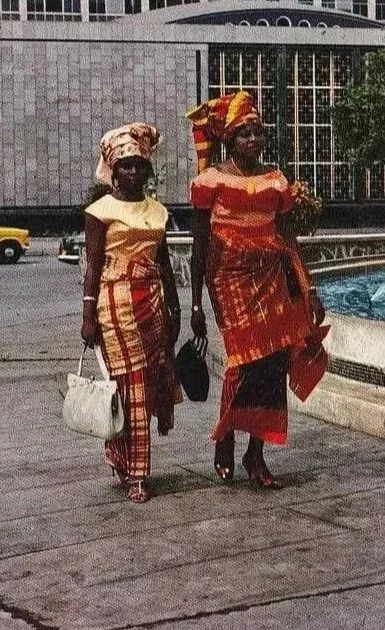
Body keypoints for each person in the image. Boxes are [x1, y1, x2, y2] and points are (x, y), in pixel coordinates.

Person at [187, 92, 329, 489]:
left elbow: (289, 239)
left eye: (257, 134)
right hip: (229, 282)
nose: (252, 140)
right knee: (242, 363)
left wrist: (308, 288)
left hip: (272, 281)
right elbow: (199, 247)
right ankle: (226, 437)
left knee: (271, 367)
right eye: (244, 134)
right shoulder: (209, 181)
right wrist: (196, 303)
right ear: (230, 140)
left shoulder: (275, 181)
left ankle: (256, 453)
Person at [80, 123, 182, 503]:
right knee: (130, 386)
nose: (133, 172)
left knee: (148, 384)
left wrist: (175, 308)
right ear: (113, 171)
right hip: (115, 301)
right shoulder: (99, 211)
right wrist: (88, 314)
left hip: (152, 302)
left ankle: (122, 456)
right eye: (125, 166)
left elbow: (165, 262)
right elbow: (93, 265)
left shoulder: (157, 211)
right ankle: (138, 474)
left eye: (139, 165)